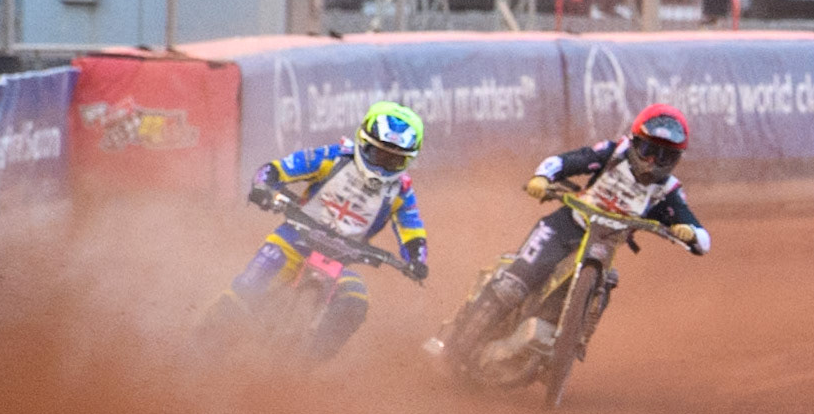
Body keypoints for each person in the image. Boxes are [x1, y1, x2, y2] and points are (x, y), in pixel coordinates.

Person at [426, 103, 707, 372]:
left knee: (607, 282)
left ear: (676, 159)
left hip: (604, 246)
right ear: (635, 142)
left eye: (665, 156)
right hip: (565, 227)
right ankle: (452, 343)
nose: (652, 161)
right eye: (648, 150)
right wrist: (542, 178)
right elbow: (564, 161)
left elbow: (701, 236)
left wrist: (689, 232)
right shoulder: (612, 154)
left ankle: (573, 343)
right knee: (514, 285)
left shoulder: (667, 191)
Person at [204, 101, 429, 362]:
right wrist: (264, 187)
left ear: (408, 160)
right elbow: (278, 169)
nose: (383, 166)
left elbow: (411, 228)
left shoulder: (400, 191)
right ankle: (199, 348)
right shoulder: (333, 158)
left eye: (394, 160)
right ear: (363, 143)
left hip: (342, 260)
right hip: (292, 241)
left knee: (355, 300)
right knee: (247, 293)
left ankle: (304, 368)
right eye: (379, 155)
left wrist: (416, 261)